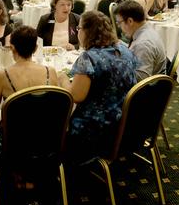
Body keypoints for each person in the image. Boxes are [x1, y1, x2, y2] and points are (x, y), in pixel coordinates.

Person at [57, 11, 138, 163]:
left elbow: (75, 96)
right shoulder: (124, 49)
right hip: (123, 123)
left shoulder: (89, 58)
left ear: (88, 31)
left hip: (94, 130)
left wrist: (61, 78)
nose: (77, 32)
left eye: (79, 28)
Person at [0, 25, 59, 152]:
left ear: (12, 48)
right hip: (45, 144)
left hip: (13, 147)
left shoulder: (2, 76)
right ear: (35, 48)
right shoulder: (50, 72)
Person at [114, 1, 167, 81]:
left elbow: (140, 81)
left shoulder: (143, 44)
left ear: (130, 21)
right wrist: (120, 45)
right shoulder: (147, 31)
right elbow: (135, 49)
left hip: (147, 90)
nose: (118, 26)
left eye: (119, 23)